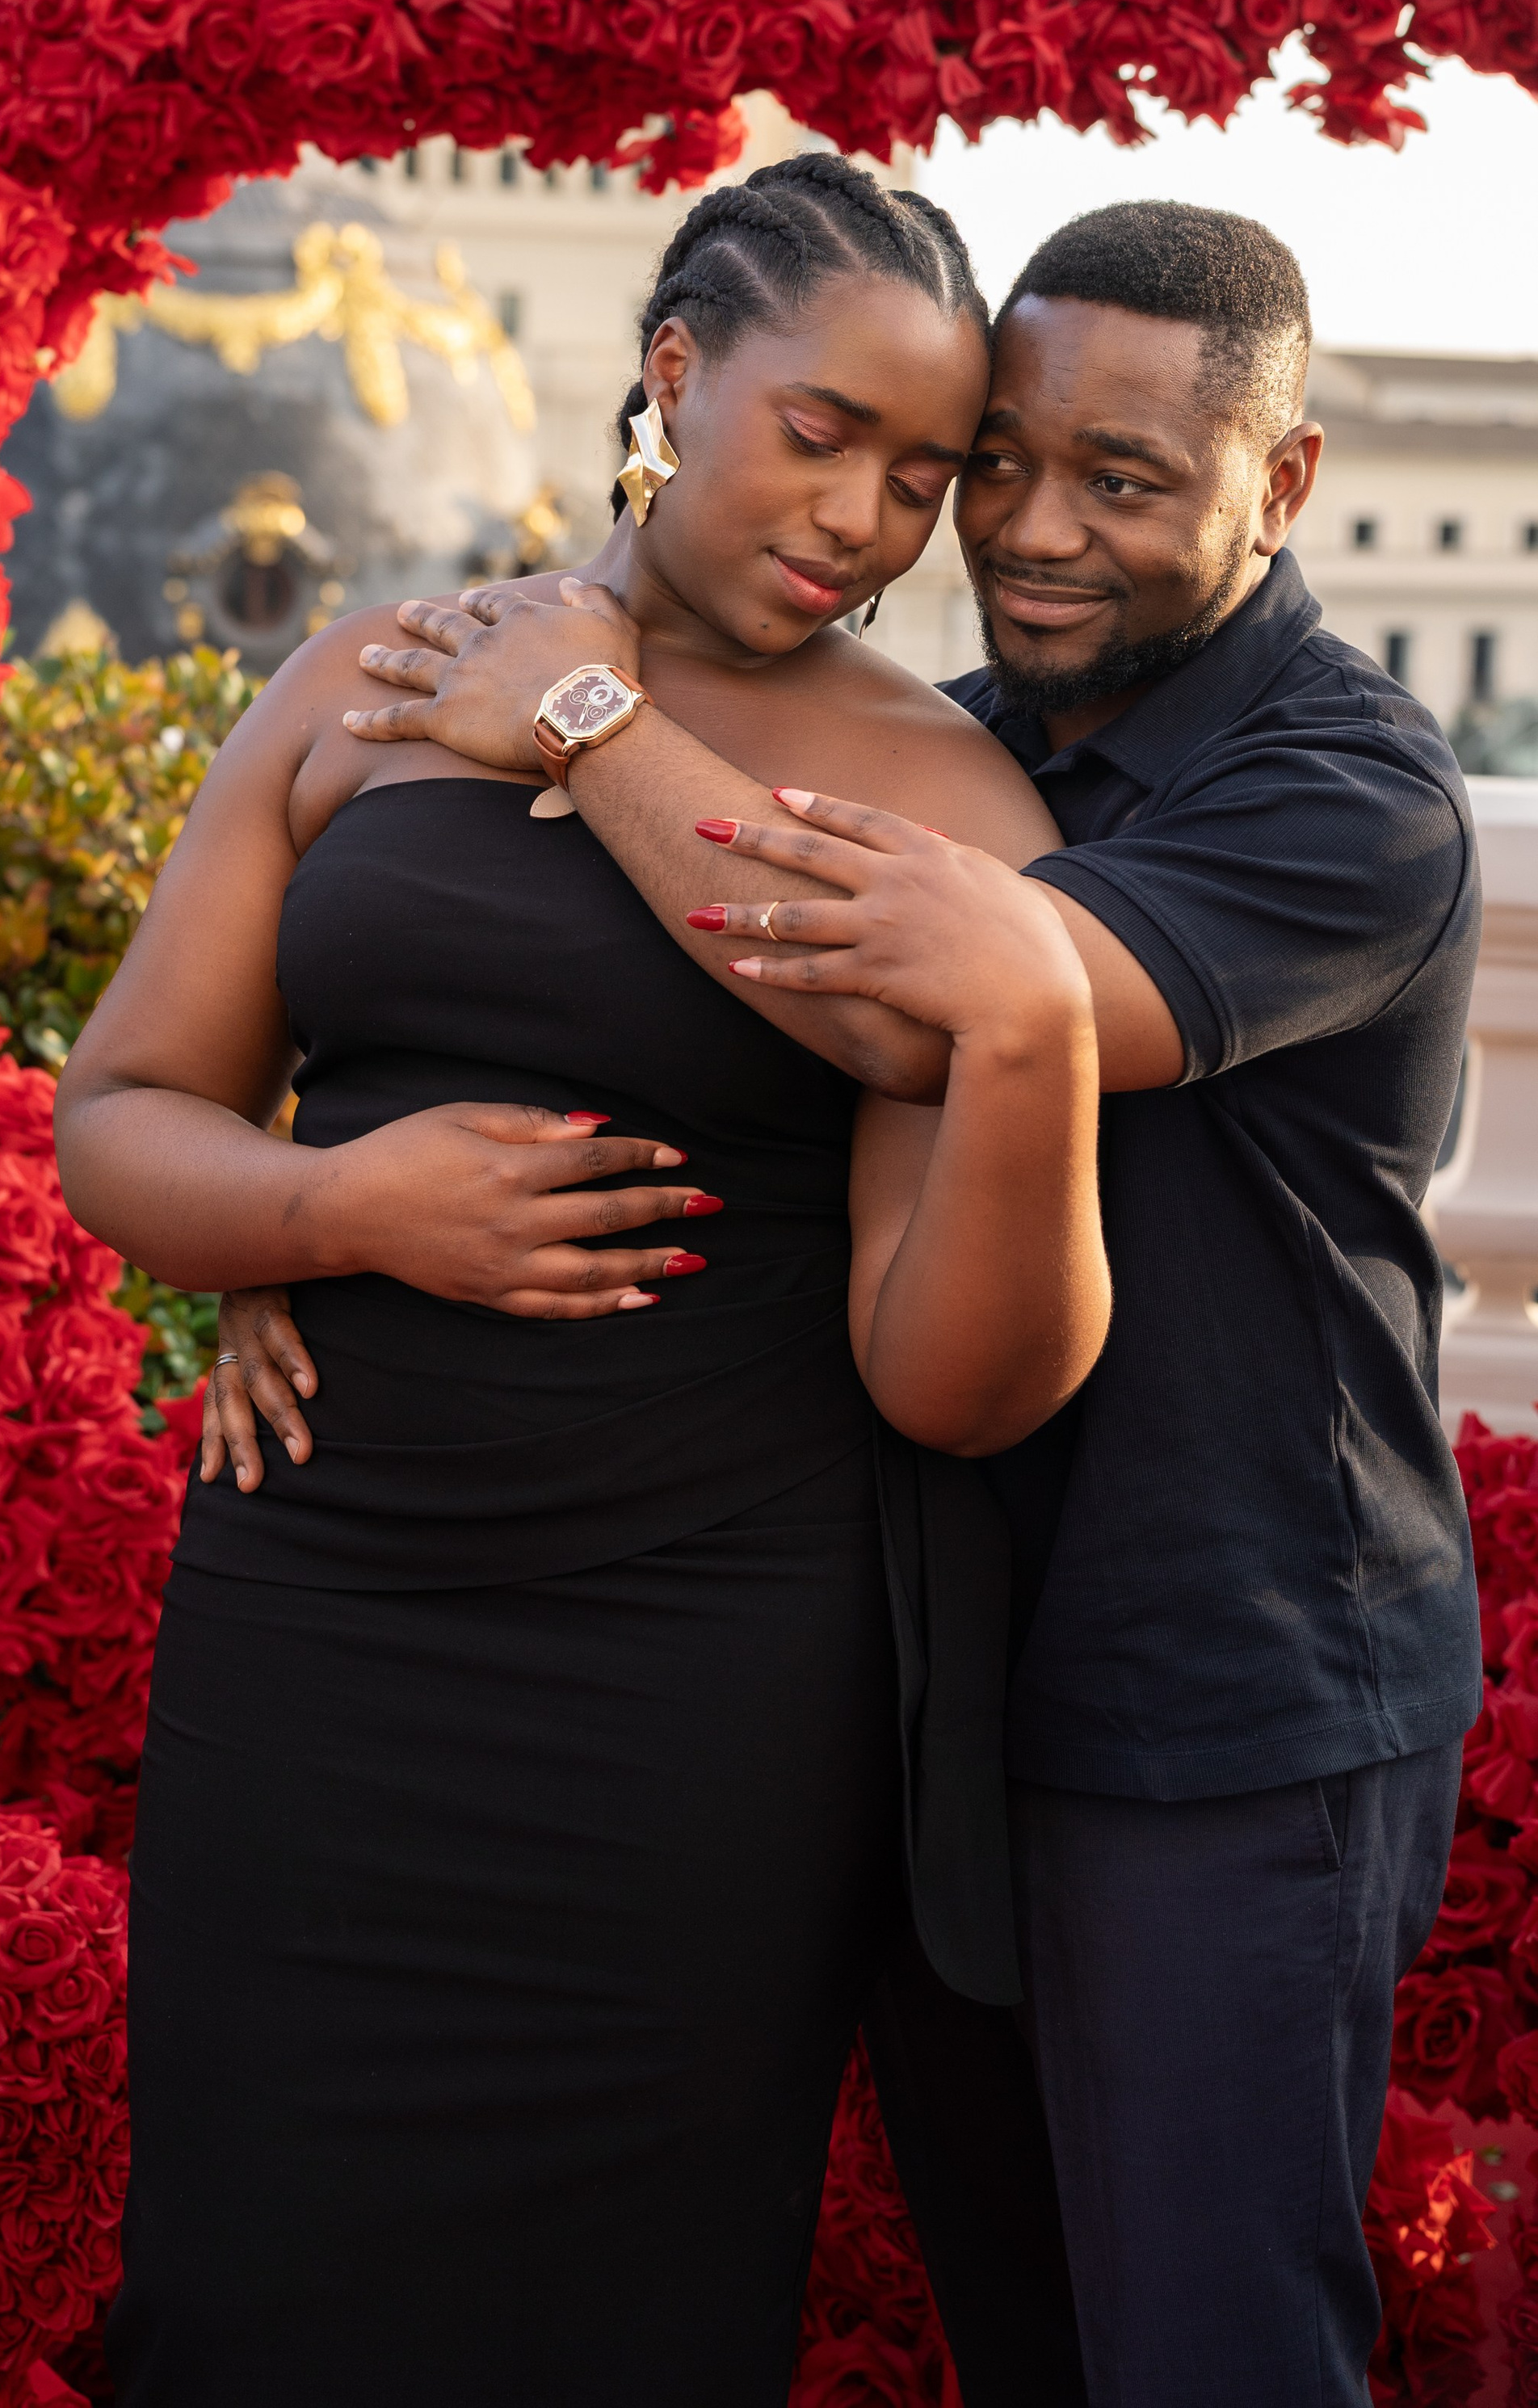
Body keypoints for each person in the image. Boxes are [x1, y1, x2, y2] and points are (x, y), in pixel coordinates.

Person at [248, 195, 1481, 2407]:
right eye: (987, 464)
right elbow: (664, 1041)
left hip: (1219, 1676)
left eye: (1124, 480)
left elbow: (954, 992)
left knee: (1212, 2348)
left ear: (1281, 486)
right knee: (1018, 2326)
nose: (1020, 527)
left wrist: (594, 713)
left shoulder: (1351, 791)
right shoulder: (960, 731)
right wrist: (320, 1216)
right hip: (912, 1658)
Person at [55, 156, 1113, 2408]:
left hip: (706, 1653)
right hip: (326, 1618)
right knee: (253, 2251)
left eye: (923, 475)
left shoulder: (955, 795)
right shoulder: (370, 672)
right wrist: (333, 1214)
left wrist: (593, 732)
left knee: (625, 2299)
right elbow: (129, 1109)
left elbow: (950, 1283)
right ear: (671, 372)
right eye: (819, 432)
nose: (864, 517)